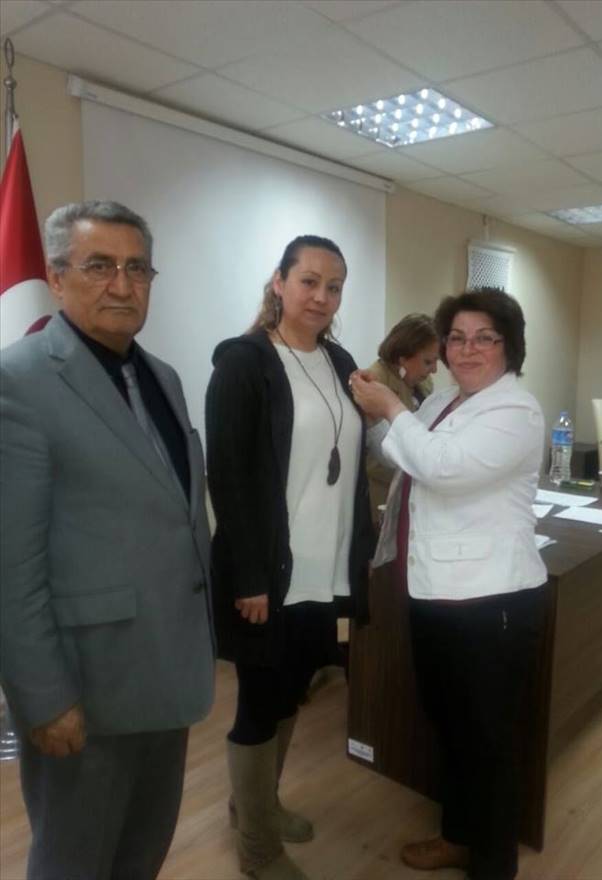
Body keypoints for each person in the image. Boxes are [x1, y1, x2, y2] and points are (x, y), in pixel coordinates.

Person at [0, 201, 216, 880]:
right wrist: (44, 697)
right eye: (99, 266)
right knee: (73, 862)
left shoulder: (163, 377)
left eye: (137, 268)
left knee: (140, 855)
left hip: (166, 669)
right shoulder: (19, 381)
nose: (123, 285)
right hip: (86, 689)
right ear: (56, 278)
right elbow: (11, 563)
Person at [351, 288, 547, 880]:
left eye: (484, 338)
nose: (467, 349)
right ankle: (459, 837)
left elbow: (443, 466)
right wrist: (375, 413)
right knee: (451, 728)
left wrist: (390, 405)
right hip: (435, 592)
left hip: (492, 601)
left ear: (509, 347)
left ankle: (493, 865)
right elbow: (405, 453)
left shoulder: (516, 411)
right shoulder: (443, 401)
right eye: (456, 338)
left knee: (487, 740)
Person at [205, 235, 374, 880]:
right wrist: (249, 576)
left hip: (322, 572)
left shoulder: (339, 360)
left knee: (290, 694)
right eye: (308, 281)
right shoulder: (244, 361)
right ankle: (256, 847)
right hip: (267, 576)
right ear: (279, 282)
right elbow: (228, 478)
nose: (321, 297)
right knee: (259, 701)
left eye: (334, 287)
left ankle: (258, 807)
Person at [366, 313, 439, 518]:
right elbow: (379, 455)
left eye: (436, 361)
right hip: (384, 493)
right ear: (403, 357)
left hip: (415, 489)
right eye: (428, 362)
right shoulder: (375, 382)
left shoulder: (424, 383)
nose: (434, 369)